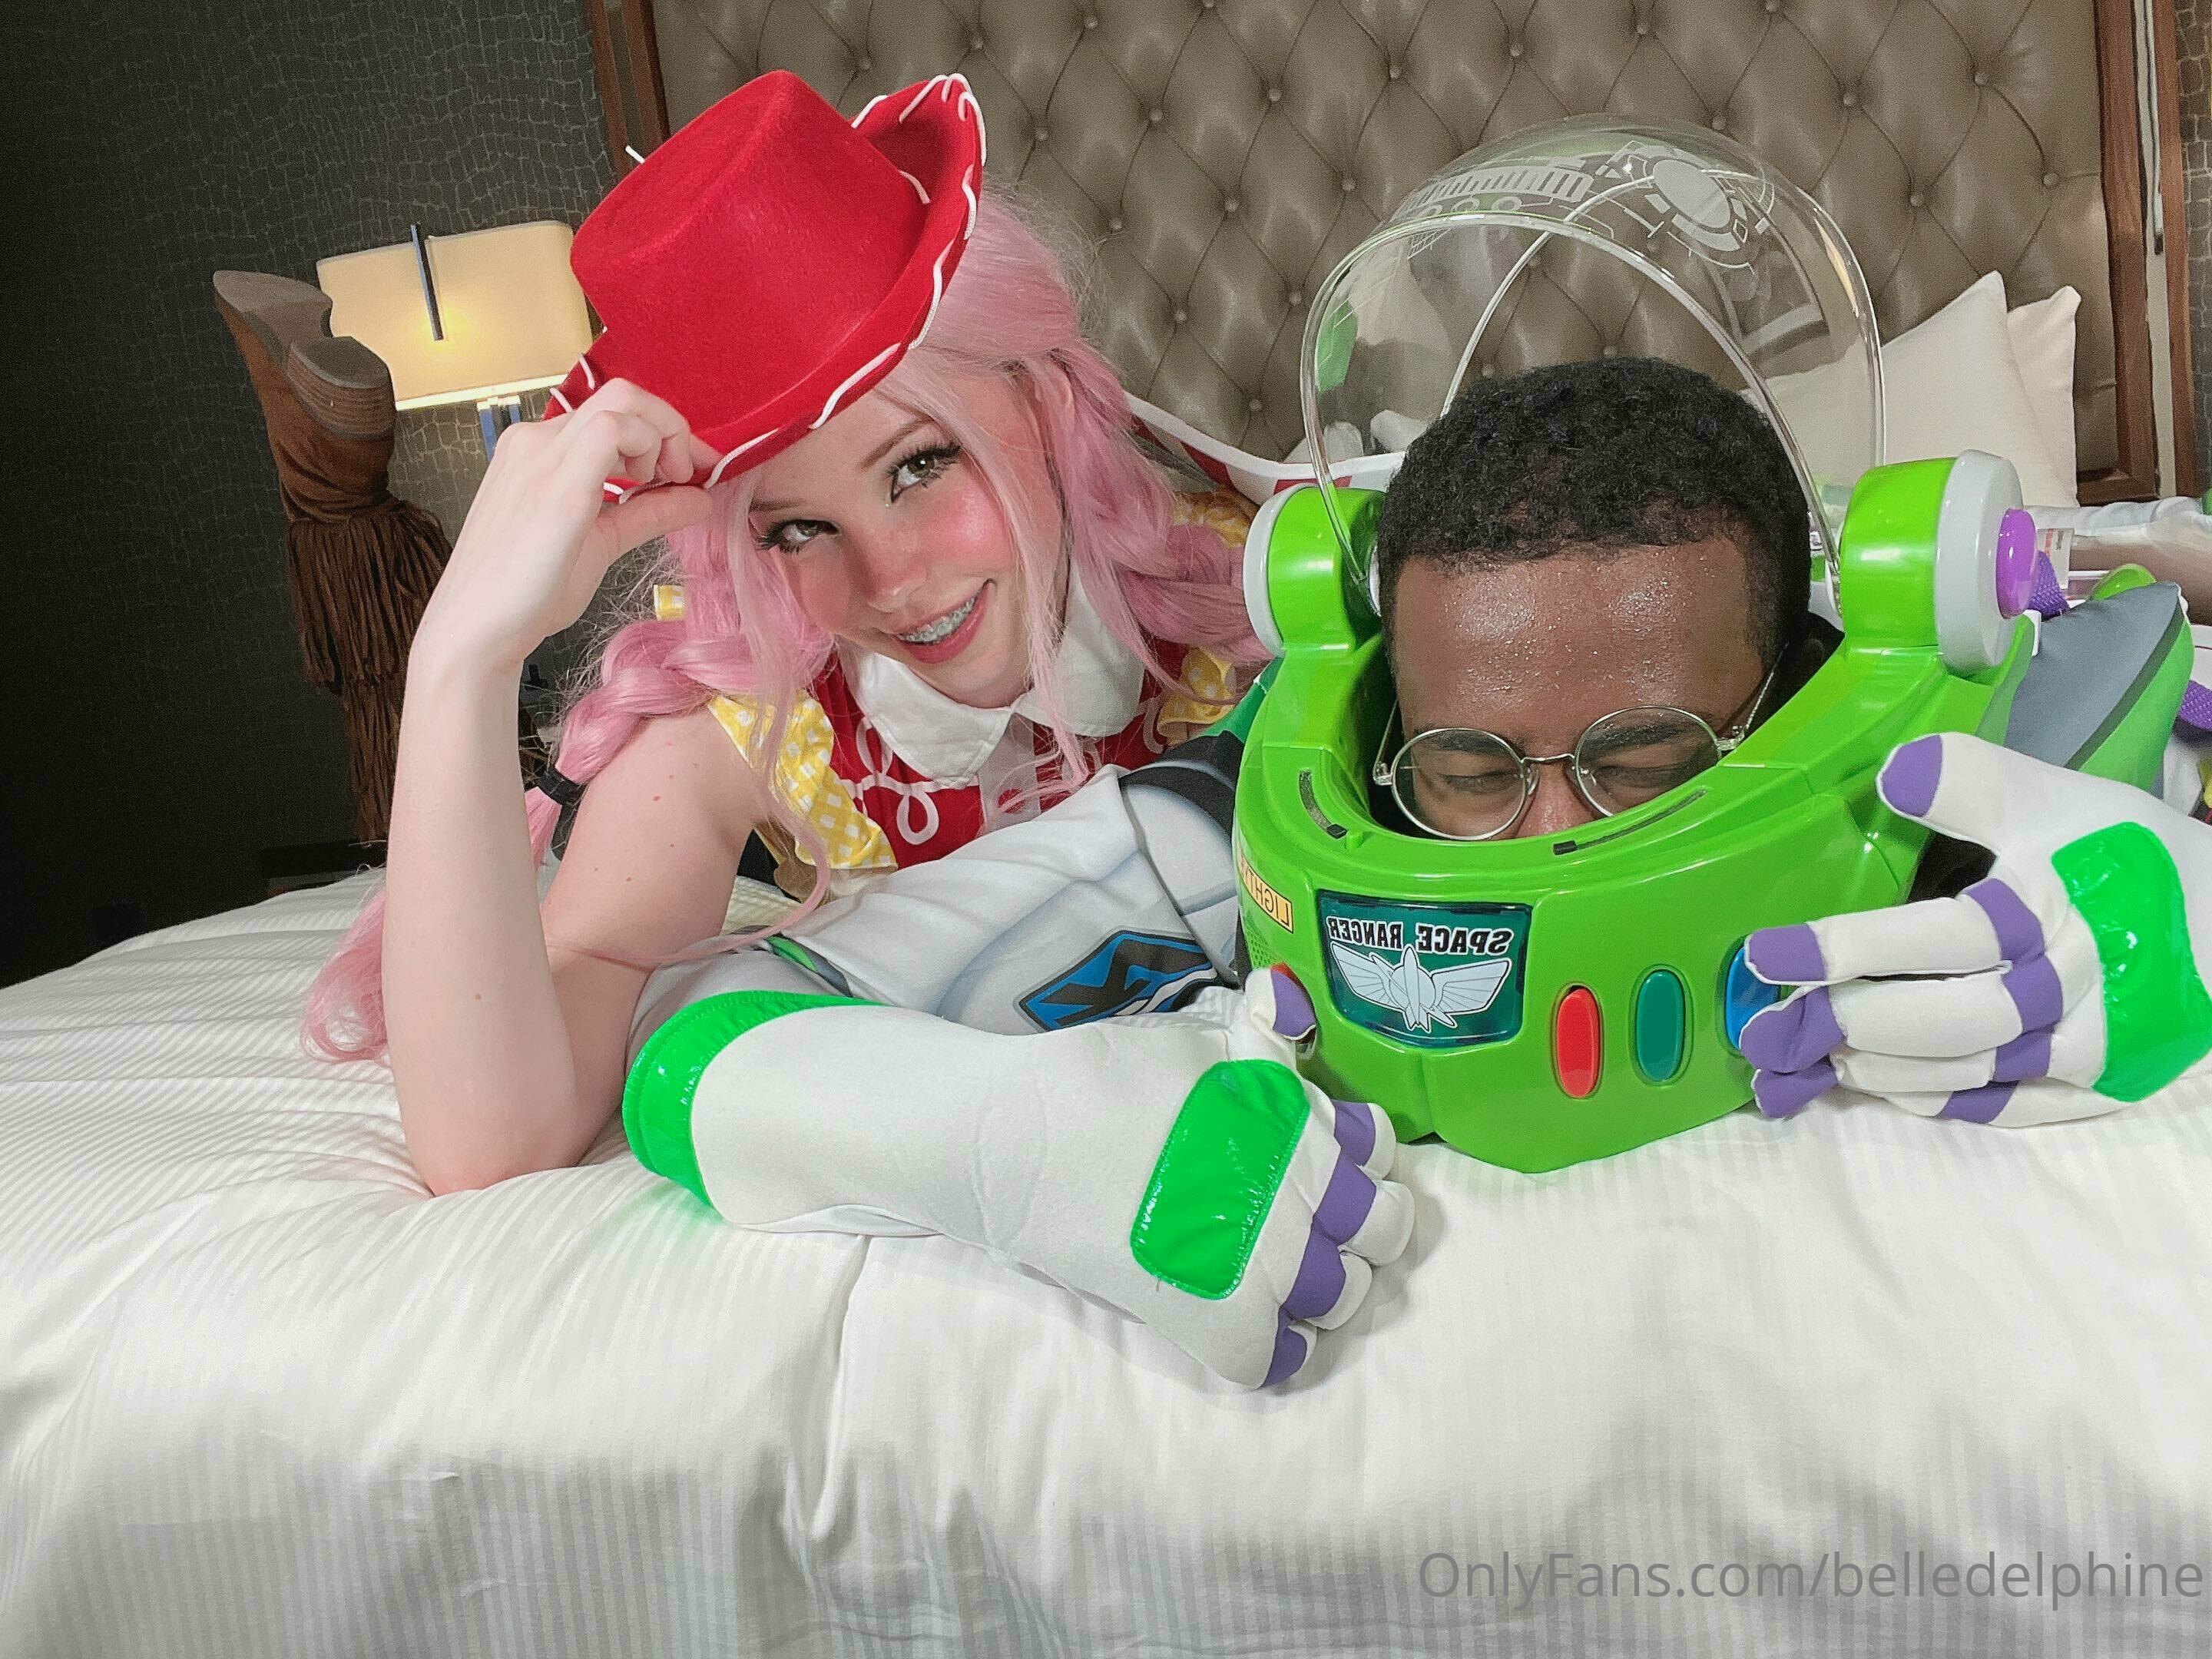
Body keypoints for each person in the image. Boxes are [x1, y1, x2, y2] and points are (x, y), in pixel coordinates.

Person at [612, 354, 2212, 1388]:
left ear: (1789, 681)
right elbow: (694, 1045)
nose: (1548, 835)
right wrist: (1013, 1145)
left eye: (1642, 757)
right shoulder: (1248, 814)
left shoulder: (1975, 753)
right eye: (1469, 771)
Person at [299, 71, 1266, 1195]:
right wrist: (460, 661)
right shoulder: (760, 716)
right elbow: (490, 1144)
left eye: (920, 466)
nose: (891, 584)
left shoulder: (1249, 592)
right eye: (798, 529)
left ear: (1043, 398)